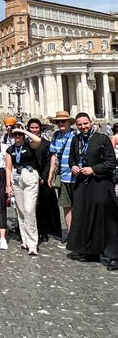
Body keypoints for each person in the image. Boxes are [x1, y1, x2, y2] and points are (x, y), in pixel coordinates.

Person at [67, 113, 117, 270]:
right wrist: (73, 166)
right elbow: (71, 158)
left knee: (107, 219)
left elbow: (111, 162)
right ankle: (90, 250)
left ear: (91, 122)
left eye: (85, 124)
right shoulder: (76, 139)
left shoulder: (102, 139)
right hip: (83, 184)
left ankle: (114, 255)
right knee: (86, 217)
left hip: (101, 184)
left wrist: (93, 169)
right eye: (80, 124)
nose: (83, 127)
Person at [5, 126, 42, 256]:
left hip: (30, 175)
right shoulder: (10, 149)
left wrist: (24, 131)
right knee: (20, 211)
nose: (17, 137)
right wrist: (8, 185)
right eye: (15, 135)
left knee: (29, 210)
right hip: (16, 177)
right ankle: (25, 240)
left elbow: (38, 140)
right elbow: (8, 168)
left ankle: (33, 243)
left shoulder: (29, 145)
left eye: (19, 135)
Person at [27, 118, 62, 242]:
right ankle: (35, 230)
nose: (34, 130)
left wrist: (44, 176)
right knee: (32, 207)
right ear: (28, 129)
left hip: (44, 179)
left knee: (47, 205)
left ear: (40, 128)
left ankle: (50, 230)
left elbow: (49, 162)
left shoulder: (47, 144)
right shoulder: (26, 144)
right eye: (32, 128)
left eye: (36, 128)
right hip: (29, 180)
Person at [48, 111, 76, 246]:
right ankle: (71, 235)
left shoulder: (76, 135)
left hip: (76, 176)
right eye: (58, 122)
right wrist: (50, 174)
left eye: (63, 121)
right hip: (62, 176)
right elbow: (54, 157)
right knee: (66, 206)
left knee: (78, 206)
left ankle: (79, 235)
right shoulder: (55, 136)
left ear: (69, 122)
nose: (60, 124)